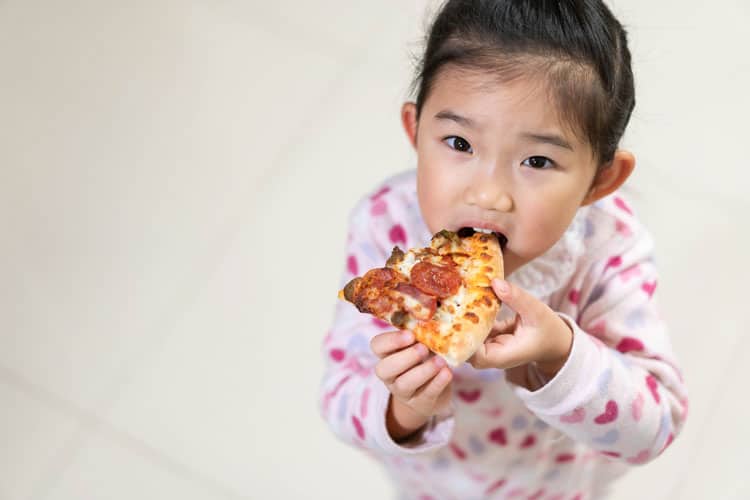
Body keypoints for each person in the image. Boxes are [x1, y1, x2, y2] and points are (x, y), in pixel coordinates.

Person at [319, 1, 688, 498]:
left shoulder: (608, 250)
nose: (488, 194)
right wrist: (404, 407)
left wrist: (561, 351)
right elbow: (337, 398)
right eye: (459, 143)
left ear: (601, 181)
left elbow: (655, 429)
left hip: (555, 483)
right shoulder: (386, 225)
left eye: (537, 159)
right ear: (415, 131)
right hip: (432, 482)